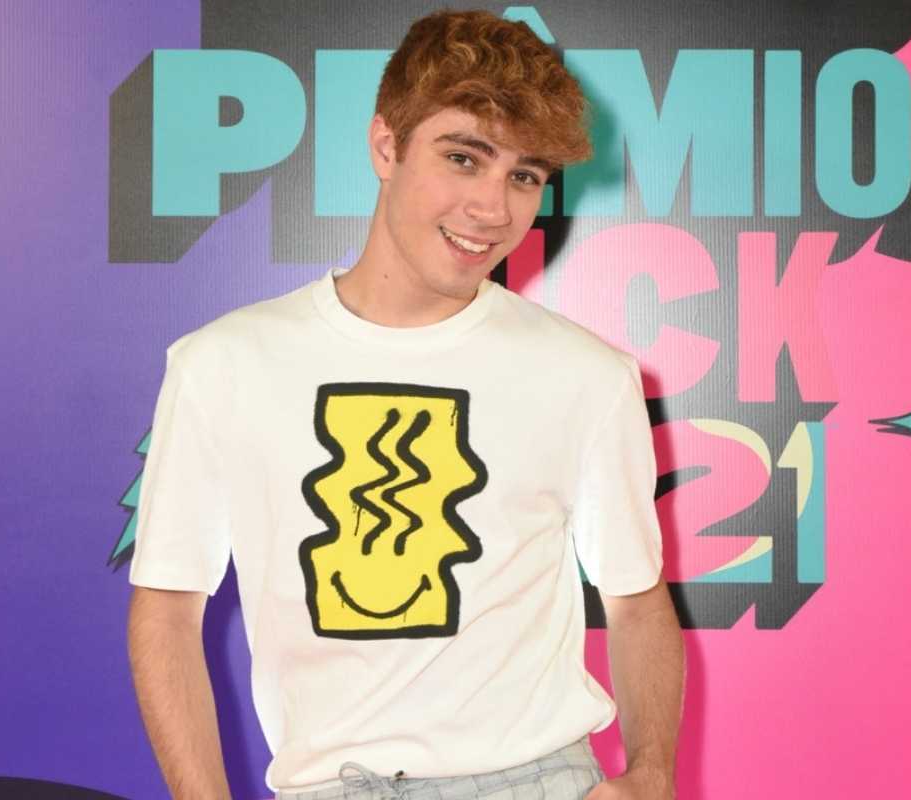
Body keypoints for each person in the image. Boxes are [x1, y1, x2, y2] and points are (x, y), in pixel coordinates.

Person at [126, 8, 684, 800]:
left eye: (524, 176)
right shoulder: (222, 364)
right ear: (386, 146)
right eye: (463, 158)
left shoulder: (589, 375)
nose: (494, 209)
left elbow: (636, 600)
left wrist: (652, 773)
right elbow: (166, 611)